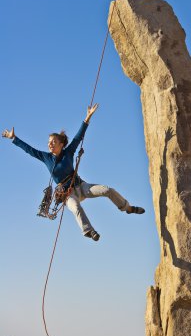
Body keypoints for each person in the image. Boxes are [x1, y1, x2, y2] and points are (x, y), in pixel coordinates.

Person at [2, 103, 145, 241]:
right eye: (49, 142)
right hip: (67, 195)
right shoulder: (46, 158)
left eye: (53, 141)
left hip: (82, 186)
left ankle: (128, 208)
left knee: (107, 190)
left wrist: (87, 118)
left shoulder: (68, 152)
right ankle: (89, 231)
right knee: (75, 207)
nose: (50, 144)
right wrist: (13, 138)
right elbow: (30, 150)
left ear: (61, 144)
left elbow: (78, 137)